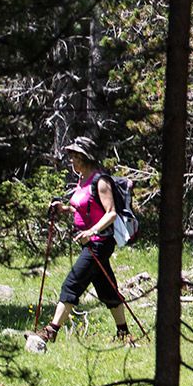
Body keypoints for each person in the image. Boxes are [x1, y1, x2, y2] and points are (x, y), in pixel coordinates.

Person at [28, 136, 132, 352]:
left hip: (99, 242)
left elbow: (110, 213)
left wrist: (91, 231)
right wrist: (63, 209)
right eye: (72, 157)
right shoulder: (82, 179)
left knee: (71, 285)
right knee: (107, 290)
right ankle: (124, 333)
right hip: (89, 242)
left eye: (76, 157)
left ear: (86, 157)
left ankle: (50, 332)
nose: (72, 161)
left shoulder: (100, 181)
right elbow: (83, 207)